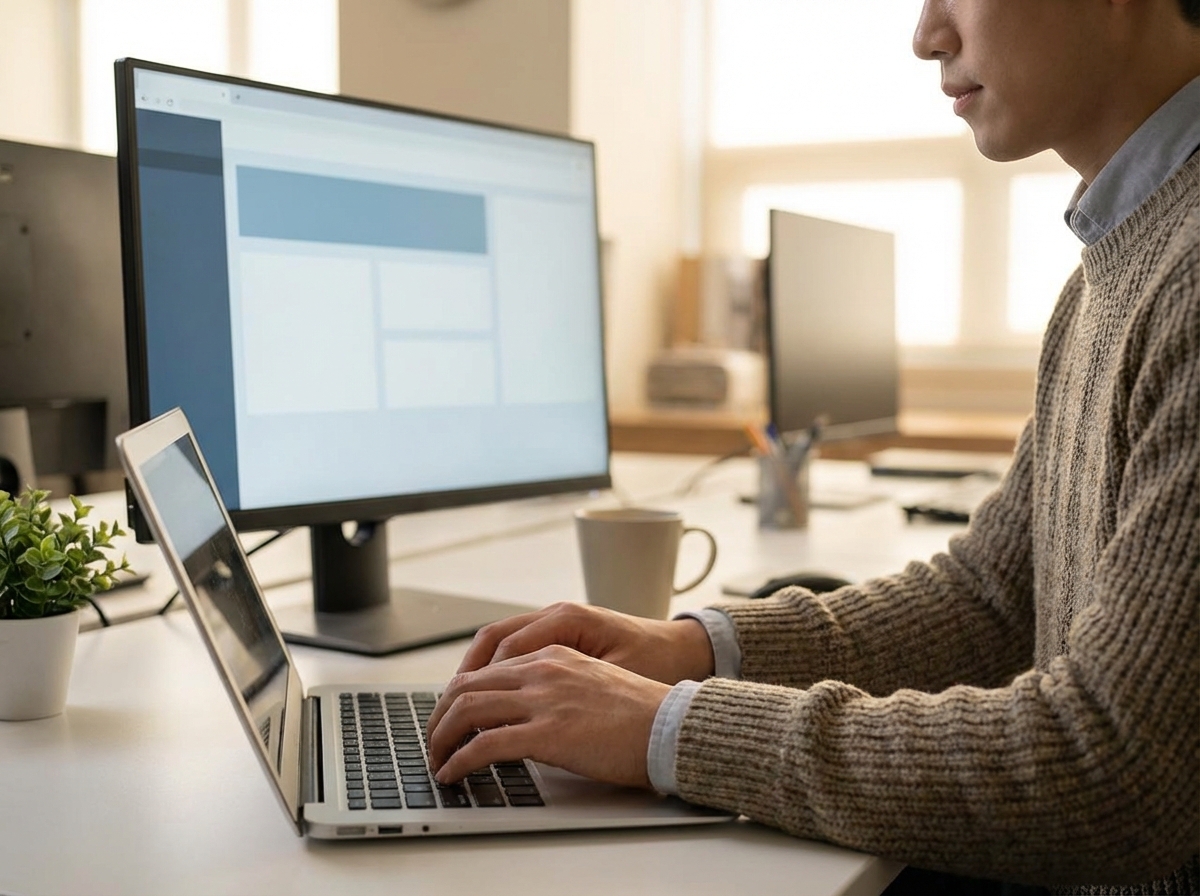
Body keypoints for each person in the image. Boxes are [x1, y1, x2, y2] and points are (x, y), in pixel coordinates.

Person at [426, 0, 1200, 892]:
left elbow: (1114, 767)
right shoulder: (1110, 268)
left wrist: (667, 727)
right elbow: (993, 599)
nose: (927, 35)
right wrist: (691, 648)